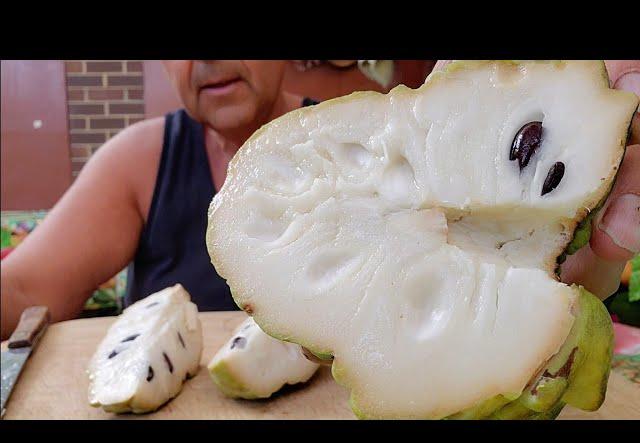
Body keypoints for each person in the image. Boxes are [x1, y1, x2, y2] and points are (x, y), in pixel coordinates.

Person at [1, 60, 638, 340]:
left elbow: (528, 259)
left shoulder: (375, 125)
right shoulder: (138, 160)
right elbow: (26, 292)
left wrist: (586, 251)